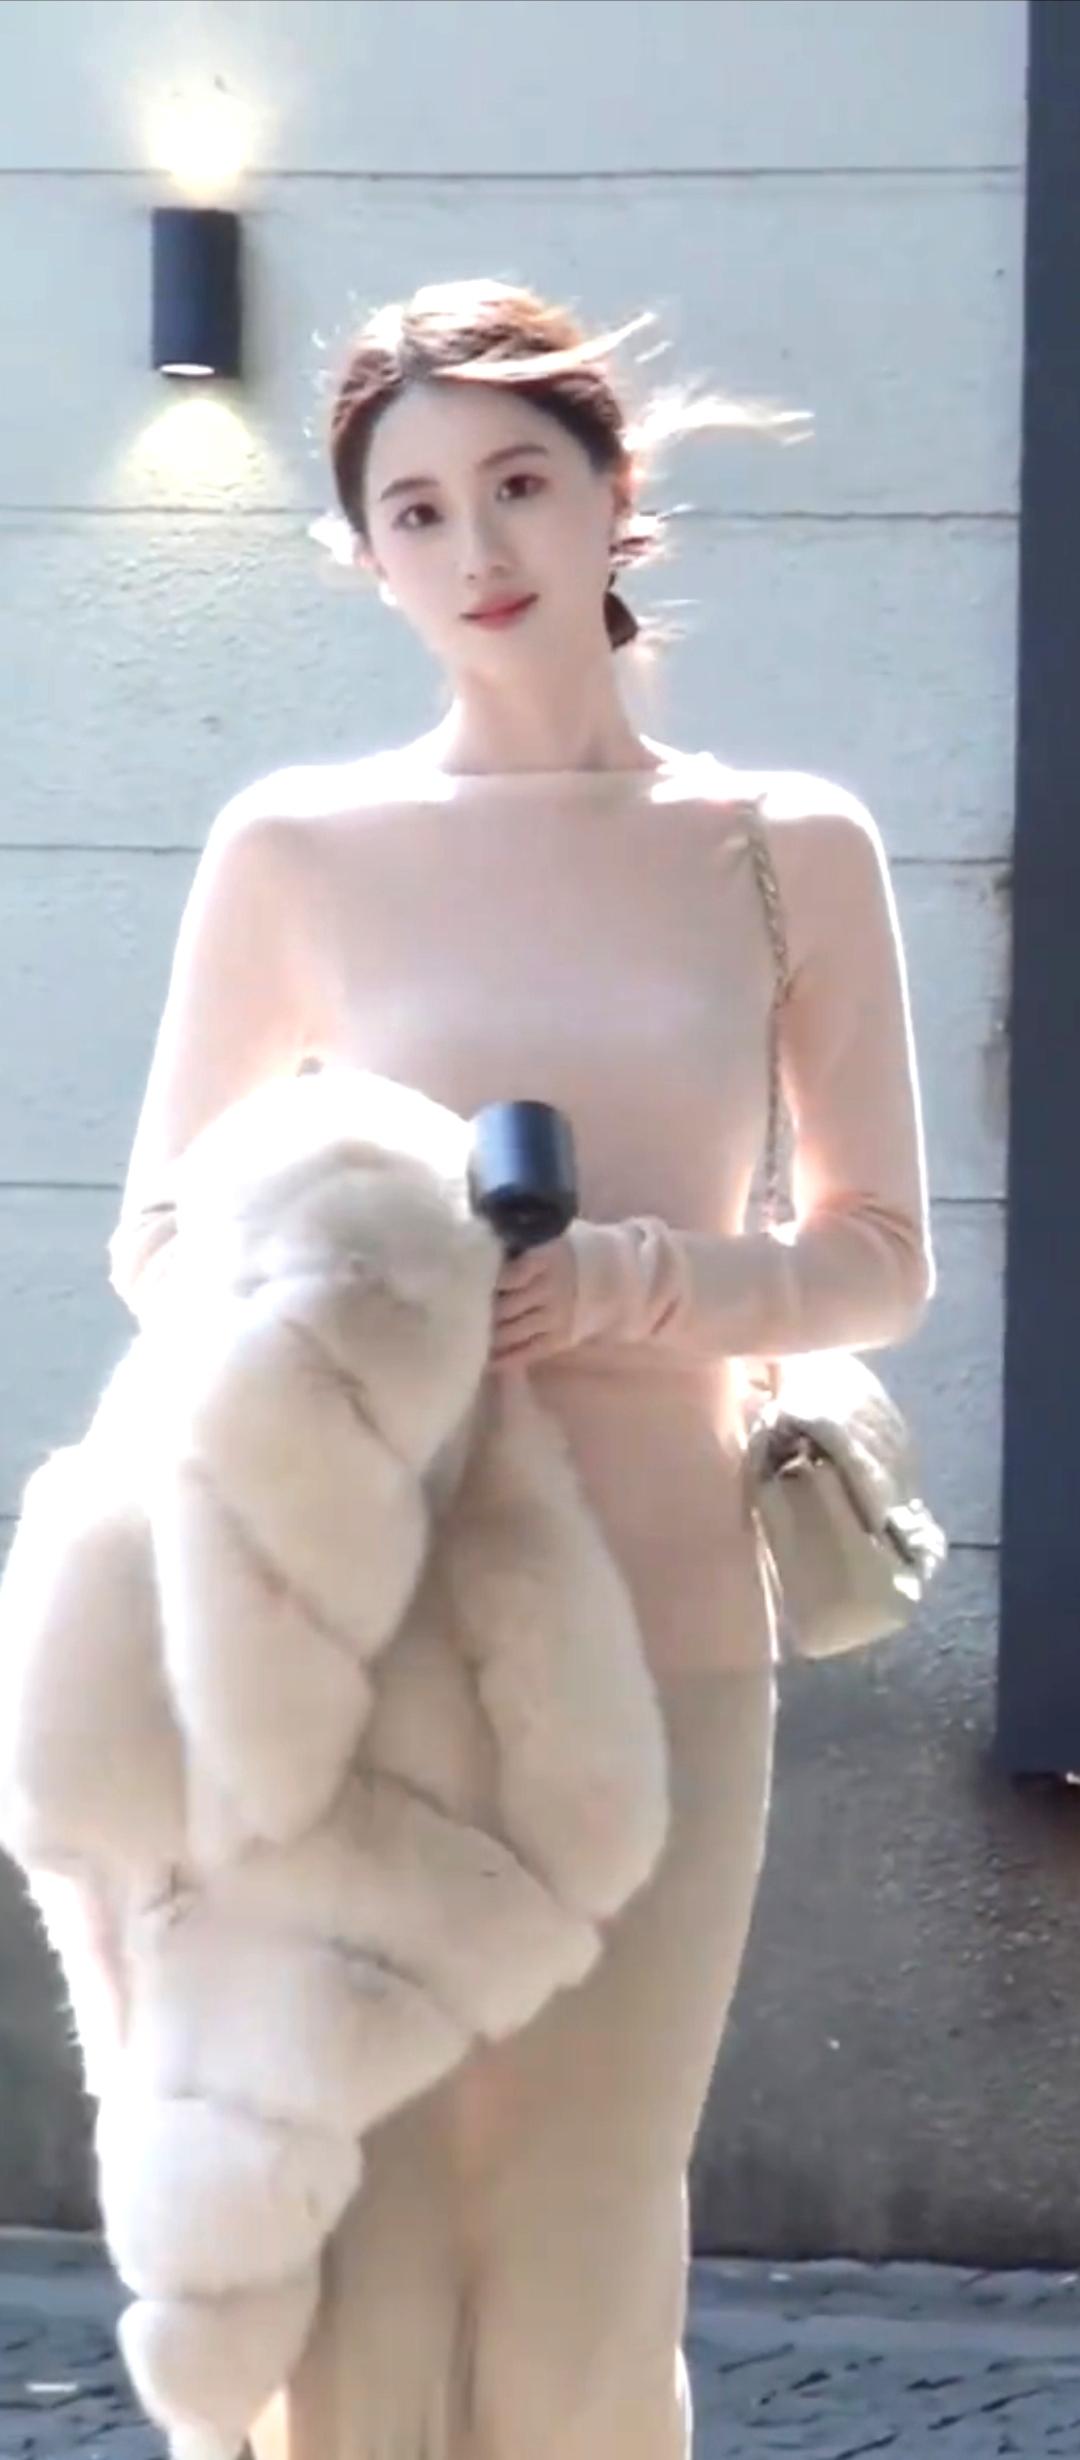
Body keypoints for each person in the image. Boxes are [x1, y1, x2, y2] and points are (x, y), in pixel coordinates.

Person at [107, 278, 935, 2460]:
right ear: (362, 555)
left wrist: (640, 1286)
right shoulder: (294, 844)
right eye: (414, 510)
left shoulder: (782, 845)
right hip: (361, 1623)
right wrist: (377, 1281)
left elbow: (878, 1260)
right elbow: (159, 1240)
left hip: (669, 1628)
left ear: (611, 496)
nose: (474, 547)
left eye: (517, 484)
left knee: (582, 2232)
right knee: (364, 2235)